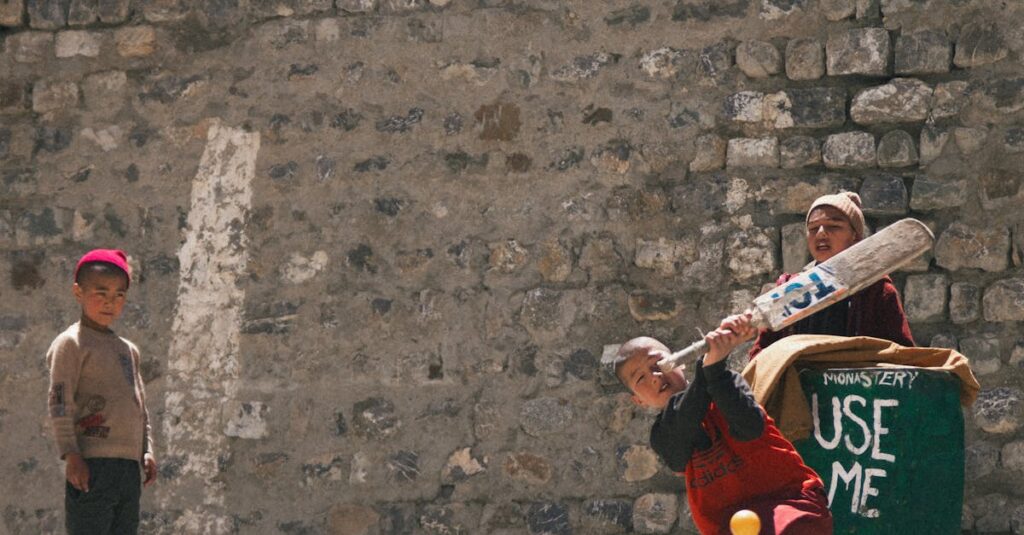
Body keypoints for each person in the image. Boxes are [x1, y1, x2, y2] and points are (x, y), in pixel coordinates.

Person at [613, 314, 832, 535]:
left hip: (790, 507)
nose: (654, 377)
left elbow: (750, 429)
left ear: (677, 361)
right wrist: (709, 366)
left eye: (658, 363)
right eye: (640, 379)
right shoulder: (663, 435)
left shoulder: (726, 384)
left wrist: (714, 368)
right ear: (638, 401)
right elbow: (683, 419)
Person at [46, 249, 157, 534]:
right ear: (78, 292)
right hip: (92, 466)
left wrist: (147, 450)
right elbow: (60, 403)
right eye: (101, 292)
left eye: (119, 295)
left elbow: (139, 406)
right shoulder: (71, 343)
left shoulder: (127, 350)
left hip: (128, 470)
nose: (110, 302)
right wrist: (71, 454)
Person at [749, 192, 914, 359]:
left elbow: (902, 356)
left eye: (833, 226)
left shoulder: (876, 291)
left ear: (855, 236)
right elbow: (760, 356)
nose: (821, 233)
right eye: (813, 228)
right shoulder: (791, 290)